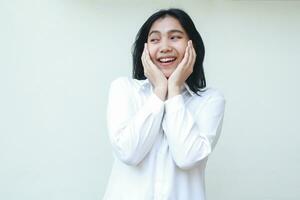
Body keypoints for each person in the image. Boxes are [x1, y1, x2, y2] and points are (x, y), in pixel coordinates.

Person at [103, 8, 226, 200]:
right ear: (144, 49)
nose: (165, 47)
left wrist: (174, 90)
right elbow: (129, 153)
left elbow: (187, 157)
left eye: (175, 37)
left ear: (192, 45)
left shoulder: (210, 100)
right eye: (154, 39)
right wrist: (160, 90)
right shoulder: (124, 89)